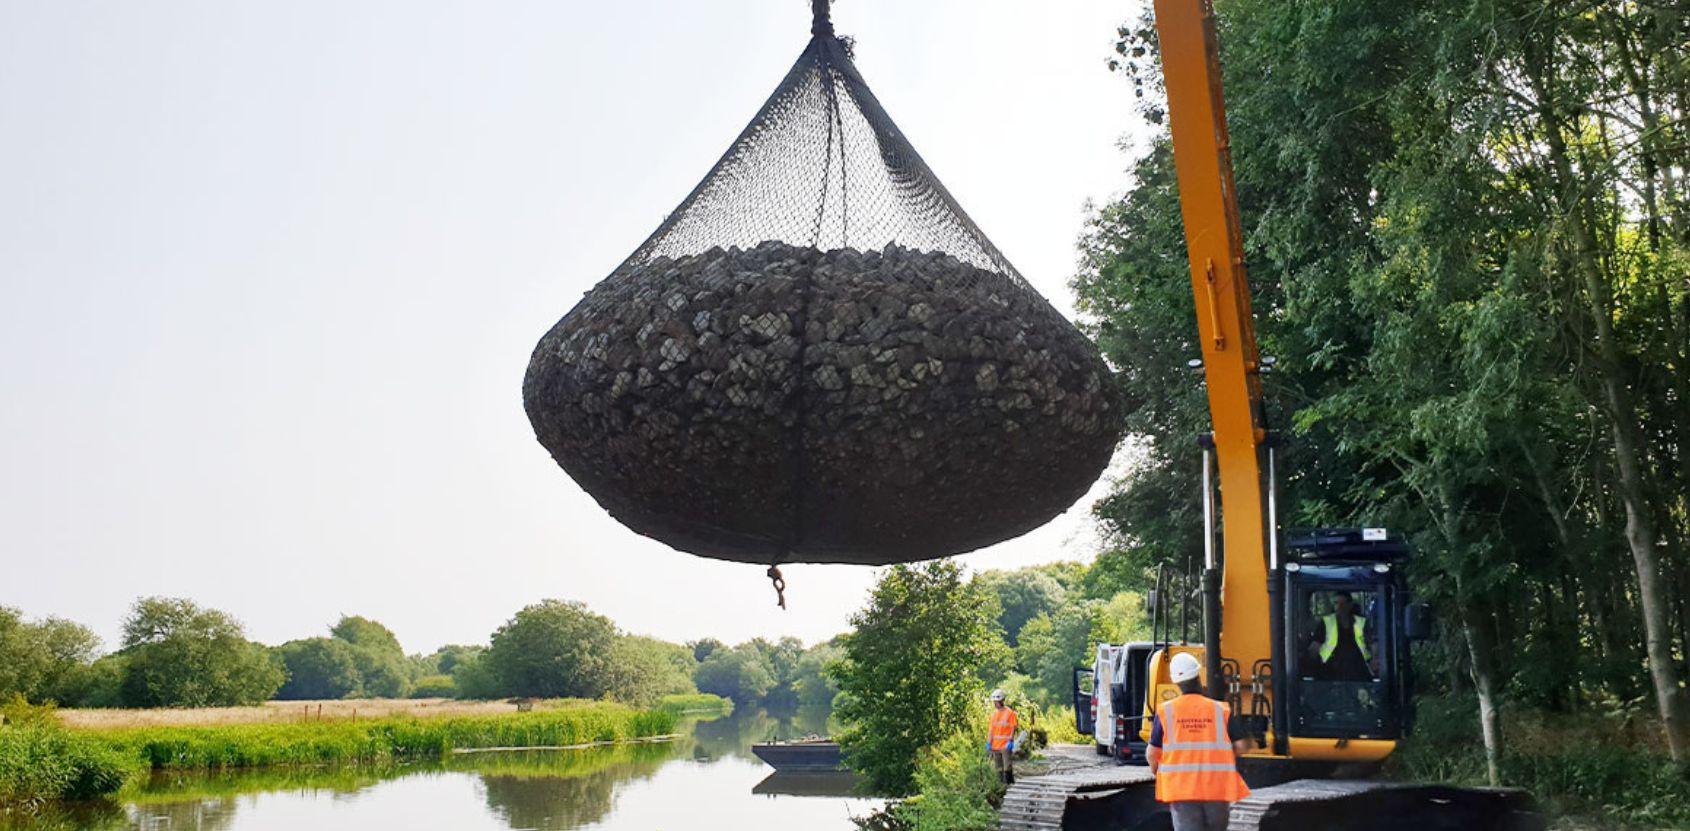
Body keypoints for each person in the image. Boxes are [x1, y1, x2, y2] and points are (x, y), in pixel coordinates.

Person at [1146, 653, 1252, 831]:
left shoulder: (1166, 711)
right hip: (1217, 789)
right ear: (1197, 676)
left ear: (1176, 682)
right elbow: (1242, 746)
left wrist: (1159, 772)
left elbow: (1152, 754)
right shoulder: (1221, 710)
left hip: (1181, 790)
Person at [1315, 591, 1373, 682]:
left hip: (1358, 670)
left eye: (1342, 604)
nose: (1339, 607)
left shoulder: (1361, 622)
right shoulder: (1325, 622)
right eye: (1336, 603)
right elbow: (1315, 646)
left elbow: (1372, 644)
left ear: (1350, 605)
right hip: (1330, 671)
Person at [986, 689, 1019, 785]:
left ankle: (1010, 783)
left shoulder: (1009, 713)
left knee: (1007, 766)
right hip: (995, 746)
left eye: (996, 702)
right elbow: (991, 730)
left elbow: (1013, 727)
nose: (995, 704)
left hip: (1005, 745)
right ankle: (1000, 785)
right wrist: (988, 742)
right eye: (994, 702)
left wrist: (1011, 741)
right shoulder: (994, 715)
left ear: (1001, 701)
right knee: (998, 767)